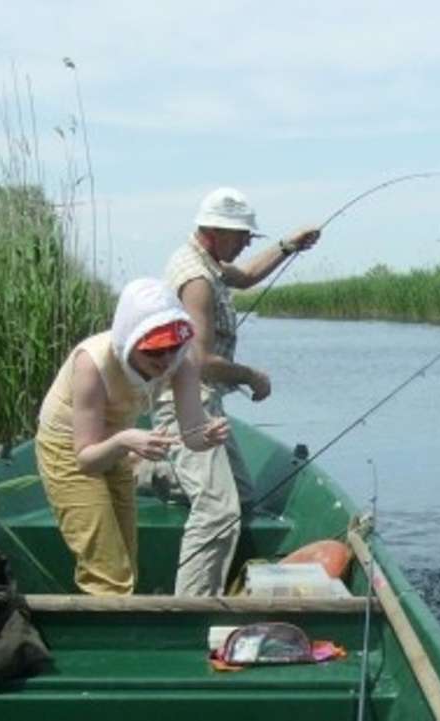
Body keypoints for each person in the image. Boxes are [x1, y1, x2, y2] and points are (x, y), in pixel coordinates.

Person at [139, 187, 319, 596]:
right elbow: (199, 359)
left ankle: (154, 472)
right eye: (242, 236)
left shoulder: (211, 263)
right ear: (214, 231)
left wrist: (289, 245)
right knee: (219, 511)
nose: (245, 244)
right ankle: (192, 606)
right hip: (185, 404)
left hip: (206, 401)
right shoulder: (197, 279)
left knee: (241, 493)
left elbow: (250, 276)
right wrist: (251, 375)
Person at [36, 278, 228, 595]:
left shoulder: (183, 360)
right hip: (70, 448)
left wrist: (207, 436)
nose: (166, 361)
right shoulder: (92, 363)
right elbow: (85, 459)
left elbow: (192, 434)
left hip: (119, 440)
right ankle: (107, 639)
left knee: (126, 557)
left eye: (173, 348)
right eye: (155, 352)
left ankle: (117, 625)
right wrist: (126, 441)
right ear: (130, 342)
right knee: (108, 572)